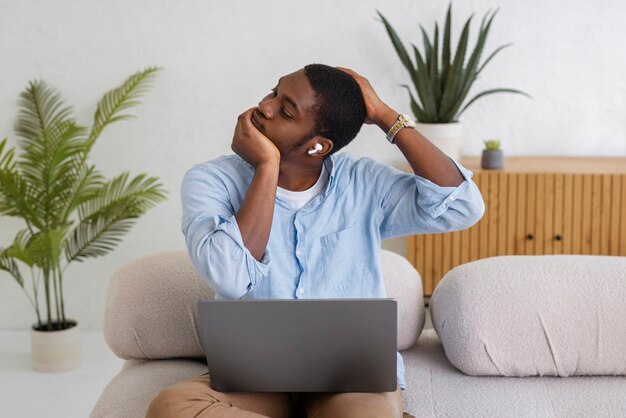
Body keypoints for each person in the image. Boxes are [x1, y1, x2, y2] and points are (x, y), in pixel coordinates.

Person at [146, 64, 485, 418]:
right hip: (254, 381)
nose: (266, 106)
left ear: (318, 146)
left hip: (351, 381)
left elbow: (463, 207)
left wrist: (385, 115)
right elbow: (230, 278)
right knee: (170, 408)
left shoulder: (363, 183)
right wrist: (267, 168)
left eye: (286, 110)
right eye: (273, 92)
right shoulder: (211, 181)